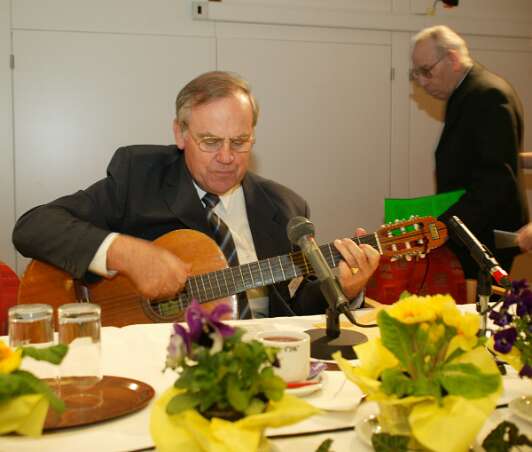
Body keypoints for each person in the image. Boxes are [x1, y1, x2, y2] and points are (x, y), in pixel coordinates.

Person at [13, 71, 380, 319]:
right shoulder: (138, 176)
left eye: (239, 142)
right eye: (210, 141)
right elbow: (33, 227)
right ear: (180, 134)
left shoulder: (286, 207)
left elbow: (294, 314)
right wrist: (124, 252)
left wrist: (344, 289)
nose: (226, 156)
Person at [410, 25, 529, 278]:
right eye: (416, 74)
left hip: (484, 236)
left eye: (426, 71)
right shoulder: (467, 92)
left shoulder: (487, 95)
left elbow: (495, 181)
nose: (421, 82)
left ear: (452, 59)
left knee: (481, 313)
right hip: (471, 228)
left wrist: (444, 227)